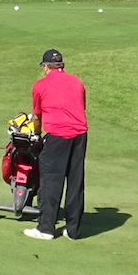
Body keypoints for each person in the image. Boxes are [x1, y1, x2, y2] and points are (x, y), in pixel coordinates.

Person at [27, 48, 88, 241]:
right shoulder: (77, 81)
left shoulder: (40, 85)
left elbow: (37, 116)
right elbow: (80, 106)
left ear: (46, 67)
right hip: (80, 135)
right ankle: (73, 230)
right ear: (62, 66)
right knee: (75, 181)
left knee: (51, 180)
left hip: (57, 135)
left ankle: (45, 228)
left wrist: (37, 135)